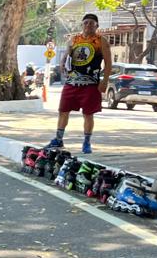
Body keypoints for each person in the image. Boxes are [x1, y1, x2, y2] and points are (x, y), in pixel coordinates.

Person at [46, 13, 111, 154]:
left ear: (97, 26)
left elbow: (108, 63)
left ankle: (87, 142)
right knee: (63, 110)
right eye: (86, 23)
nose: (88, 25)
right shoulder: (74, 39)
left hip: (91, 83)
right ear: (82, 25)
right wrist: (62, 64)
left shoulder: (101, 41)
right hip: (72, 82)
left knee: (88, 114)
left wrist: (105, 81)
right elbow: (66, 56)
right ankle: (58, 139)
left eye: (92, 23)